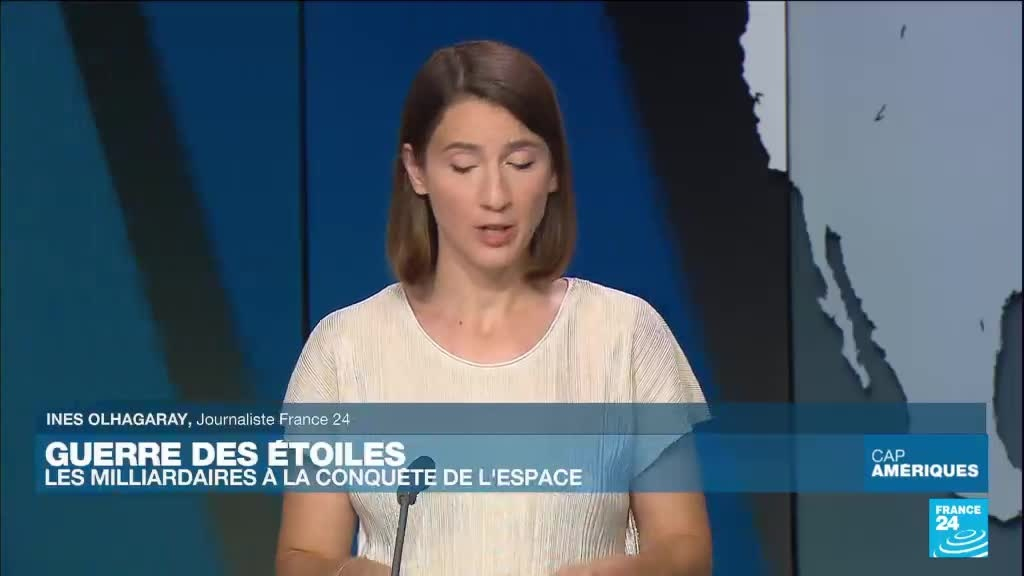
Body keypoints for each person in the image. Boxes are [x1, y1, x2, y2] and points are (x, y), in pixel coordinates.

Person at [275, 39, 712, 576]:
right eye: (463, 166)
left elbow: (684, 548)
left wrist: (631, 572)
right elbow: (304, 555)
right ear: (416, 171)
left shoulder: (626, 333)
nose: (496, 196)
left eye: (520, 162)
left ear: (554, 171)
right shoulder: (343, 348)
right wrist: (345, 573)